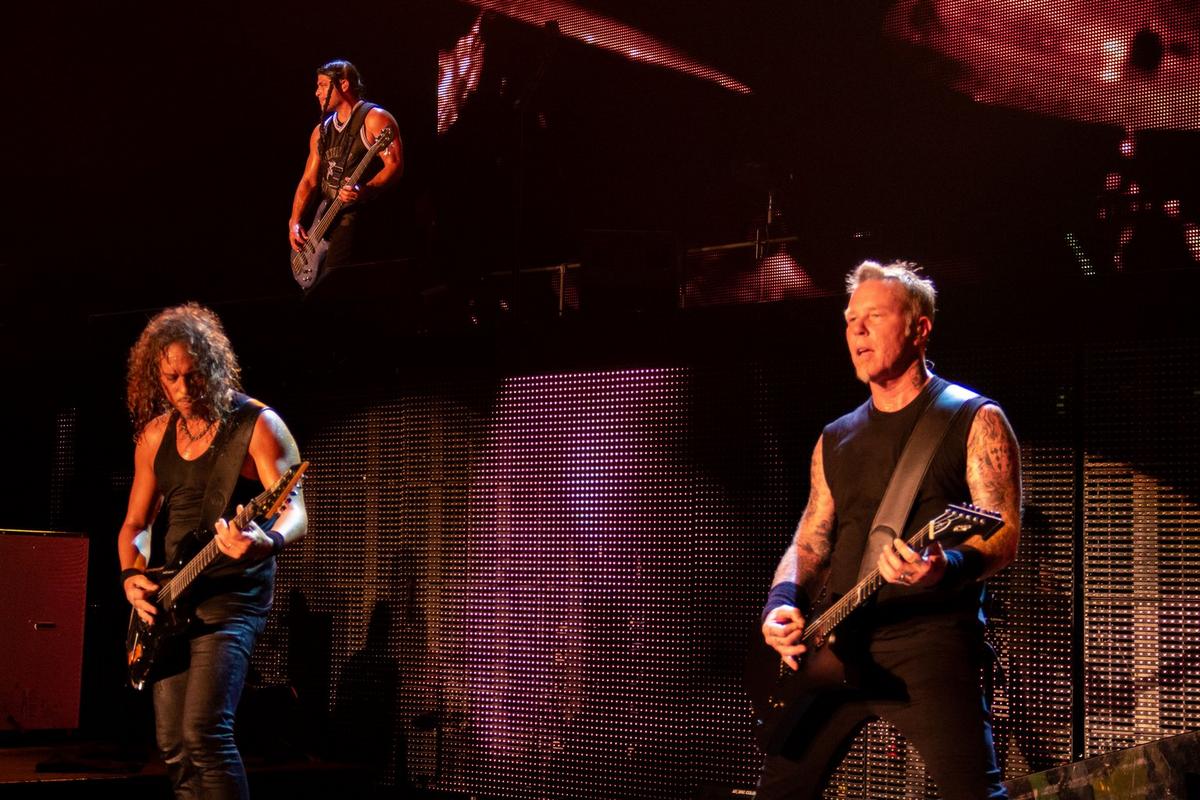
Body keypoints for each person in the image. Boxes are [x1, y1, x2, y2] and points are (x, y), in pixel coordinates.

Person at [756, 261, 1021, 800]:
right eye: (850, 320)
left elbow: (1004, 532)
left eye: (874, 316)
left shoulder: (974, 418)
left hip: (930, 643)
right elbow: (811, 539)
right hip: (836, 644)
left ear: (920, 329)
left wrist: (945, 567)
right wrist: (781, 603)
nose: (856, 330)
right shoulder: (835, 438)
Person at [117, 303, 307, 799]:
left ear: (214, 366)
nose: (183, 389)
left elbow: (296, 511)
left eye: (193, 375)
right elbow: (135, 525)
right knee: (174, 748)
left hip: (231, 599)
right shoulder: (154, 437)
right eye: (171, 378)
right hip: (171, 599)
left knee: (205, 734)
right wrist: (131, 576)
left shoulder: (256, 424)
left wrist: (266, 540)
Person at [288, 59, 404, 280]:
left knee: (335, 286)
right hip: (326, 219)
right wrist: (294, 221)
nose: (317, 92)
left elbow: (395, 166)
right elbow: (309, 180)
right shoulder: (321, 131)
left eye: (323, 85)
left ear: (343, 84)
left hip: (358, 220)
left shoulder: (375, 119)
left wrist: (365, 189)